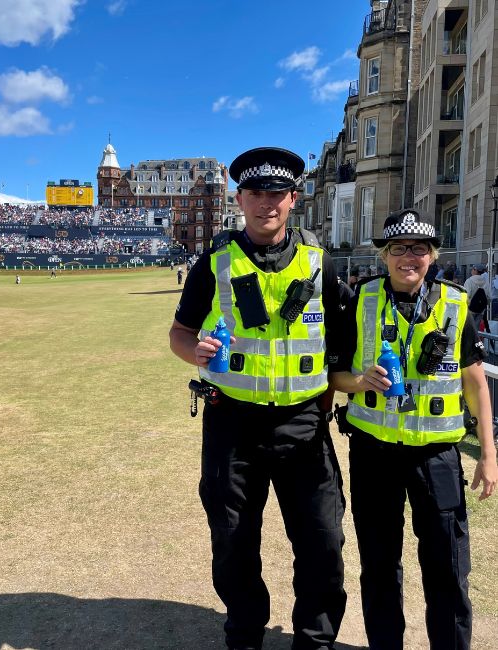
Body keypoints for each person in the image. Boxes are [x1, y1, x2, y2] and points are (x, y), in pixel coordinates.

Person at [169, 147, 346, 650]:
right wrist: (195, 353)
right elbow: (179, 333)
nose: (265, 202)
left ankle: (314, 639)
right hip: (232, 425)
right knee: (233, 541)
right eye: (254, 193)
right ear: (240, 199)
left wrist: (329, 402)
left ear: (292, 199)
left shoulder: (321, 265)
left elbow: (342, 349)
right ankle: (245, 635)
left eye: (276, 193)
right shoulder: (214, 264)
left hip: (304, 425)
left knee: (322, 541)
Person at [329, 208, 498, 650]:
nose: (409, 256)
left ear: (432, 255)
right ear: (384, 255)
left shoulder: (456, 303)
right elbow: (335, 378)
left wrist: (489, 455)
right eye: (399, 248)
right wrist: (359, 380)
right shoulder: (359, 300)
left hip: (437, 455)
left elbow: (475, 380)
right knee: (380, 566)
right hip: (374, 453)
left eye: (419, 248)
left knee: (447, 568)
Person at [464, 263, 490, 330]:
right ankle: (476, 340)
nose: (472, 270)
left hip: (470, 309)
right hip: (480, 311)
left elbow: (466, 295)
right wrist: (483, 305)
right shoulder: (486, 282)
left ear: (475, 270)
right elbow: (489, 297)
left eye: (473, 269)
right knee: (477, 330)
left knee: (468, 329)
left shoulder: (469, 281)